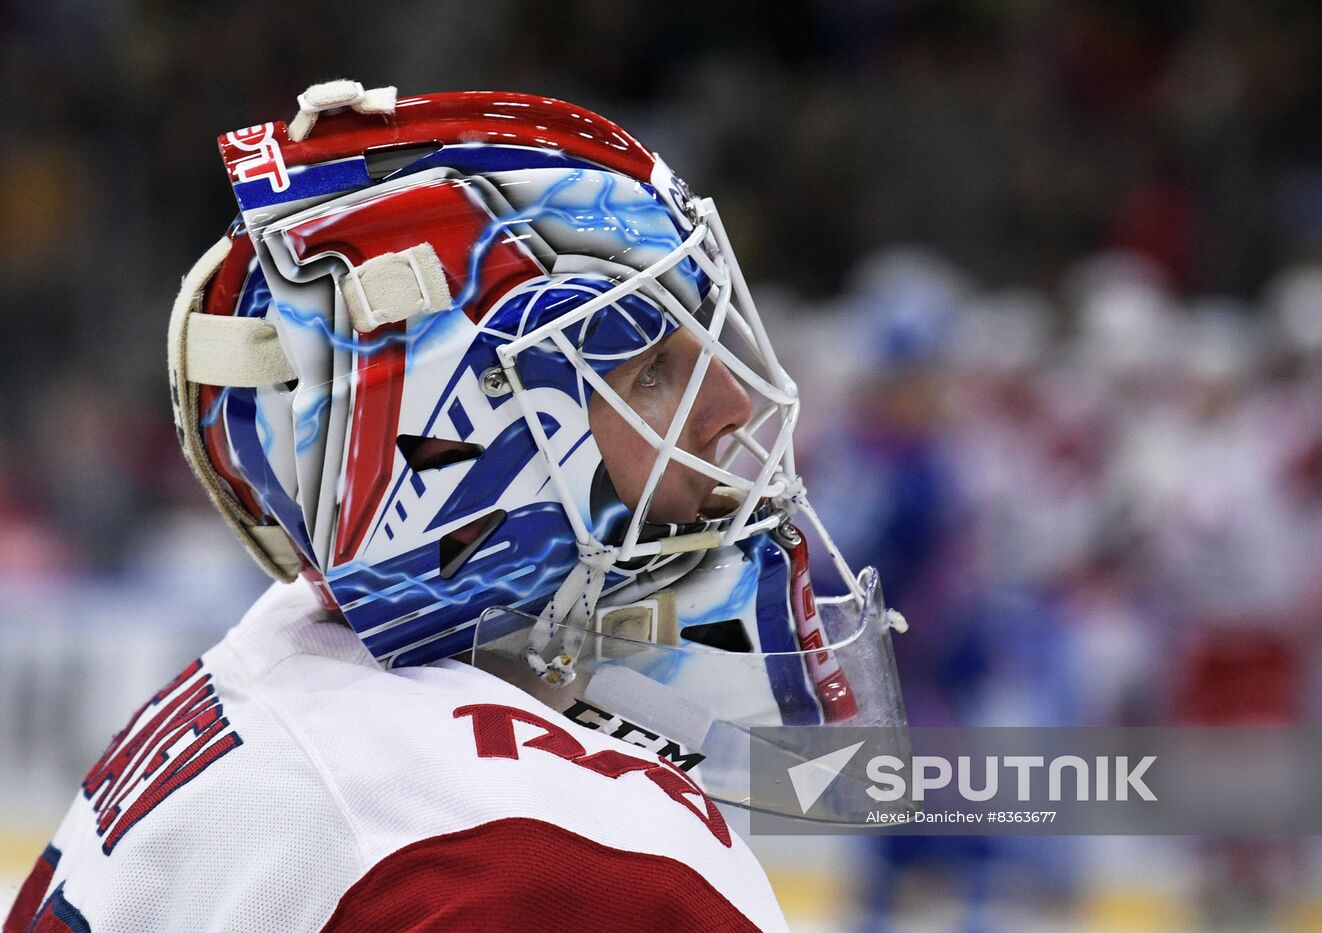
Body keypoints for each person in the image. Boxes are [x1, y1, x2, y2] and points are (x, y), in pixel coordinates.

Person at [5, 81, 907, 932]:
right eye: (652, 370)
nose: (733, 410)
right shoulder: (566, 861)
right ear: (466, 433)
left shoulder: (265, 662)